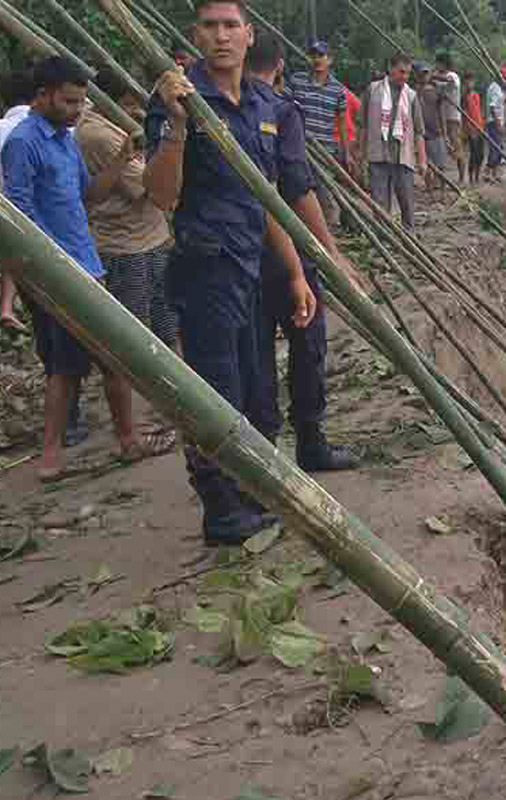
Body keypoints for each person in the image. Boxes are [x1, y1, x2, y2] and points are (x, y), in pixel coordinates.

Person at [145, 0, 316, 545]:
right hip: (206, 266)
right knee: (216, 391)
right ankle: (221, 510)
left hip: (252, 266)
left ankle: (248, 493)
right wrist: (175, 127)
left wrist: (295, 273)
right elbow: (161, 195)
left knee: (256, 391)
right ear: (197, 34)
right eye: (209, 27)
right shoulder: (179, 98)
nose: (220, 36)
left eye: (230, 26)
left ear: (249, 35)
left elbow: (265, 198)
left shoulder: (263, 104)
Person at [1, 57, 149, 482]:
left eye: (82, 102)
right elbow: (21, 217)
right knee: (65, 369)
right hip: (58, 274)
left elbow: (88, 197)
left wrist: (122, 160)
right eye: (69, 101)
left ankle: (127, 439)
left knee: (113, 358)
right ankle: (51, 455)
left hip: (88, 263)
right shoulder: (24, 142)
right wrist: (50, 273)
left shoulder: (65, 138)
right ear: (43, 95)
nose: (76, 110)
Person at [245, 37, 358, 472]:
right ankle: (309, 442)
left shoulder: (214, 106)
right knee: (307, 345)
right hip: (285, 251)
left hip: (239, 253)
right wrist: (331, 253)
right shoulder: (280, 109)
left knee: (254, 352)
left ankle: (266, 452)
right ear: (280, 66)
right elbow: (296, 186)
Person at [76, 68, 181, 455]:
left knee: (168, 331)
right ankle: (135, 433)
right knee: (131, 344)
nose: (138, 109)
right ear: (119, 101)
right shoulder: (99, 134)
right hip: (125, 249)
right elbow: (152, 189)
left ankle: (172, 412)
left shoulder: (119, 127)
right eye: (134, 102)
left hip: (151, 240)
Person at [360, 53, 425, 232]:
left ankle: (409, 240)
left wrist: (422, 160)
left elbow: (419, 132)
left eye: (407, 74)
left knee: (407, 204)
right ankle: (382, 242)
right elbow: (364, 126)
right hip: (378, 156)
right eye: (401, 72)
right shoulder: (373, 90)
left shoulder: (411, 96)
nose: (404, 77)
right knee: (380, 206)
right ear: (390, 68)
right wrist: (360, 154)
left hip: (403, 158)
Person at [290, 40, 349, 228]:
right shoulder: (296, 81)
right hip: (299, 146)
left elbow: (341, 122)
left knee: (325, 191)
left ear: (329, 60)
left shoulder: (337, 89)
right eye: (313, 55)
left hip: (325, 149)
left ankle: (328, 230)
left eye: (321, 55)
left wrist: (345, 151)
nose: (316, 60)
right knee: (298, 188)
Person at [0, 68, 34, 332]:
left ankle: (7, 307)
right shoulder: (38, 129)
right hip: (25, 209)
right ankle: (8, 305)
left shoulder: (2, 127)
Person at [433, 53, 464, 184]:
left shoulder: (452, 76)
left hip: (453, 117)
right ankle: (439, 179)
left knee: (456, 145)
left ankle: (462, 177)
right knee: (442, 146)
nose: (437, 66)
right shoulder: (437, 78)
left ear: (444, 64)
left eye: (439, 63)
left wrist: (433, 76)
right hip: (442, 117)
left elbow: (449, 81)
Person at [416, 63, 446, 196]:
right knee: (427, 164)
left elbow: (441, 112)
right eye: (422, 74)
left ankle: (442, 191)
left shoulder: (435, 91)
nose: (424, 76)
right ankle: (430, 191)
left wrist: (444, 132)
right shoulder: (414, 92)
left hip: (436, 131)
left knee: (441, 164)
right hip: (422, 133)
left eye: (426, 74)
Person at [461, 71, 484, 185]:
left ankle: (477, 176)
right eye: (468, 81)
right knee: (474, 154)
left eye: (472, 81)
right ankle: (471, 178)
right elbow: (464, 115)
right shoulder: (464, 97)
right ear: (464, 83)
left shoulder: (476, 95)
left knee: (481, 154)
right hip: (471, 129)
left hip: (480, 127)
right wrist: (468, 131)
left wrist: (482, 127)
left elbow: (479, 111)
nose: (470, 83)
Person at [484, 70, 505, 183]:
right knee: (495, 147)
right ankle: (488, 172)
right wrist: (498, 123)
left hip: (496, 121)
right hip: (494, 122)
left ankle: (495, 173)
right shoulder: (495, 88)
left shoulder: (496, 87)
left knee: (498, 147)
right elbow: (492, 107)